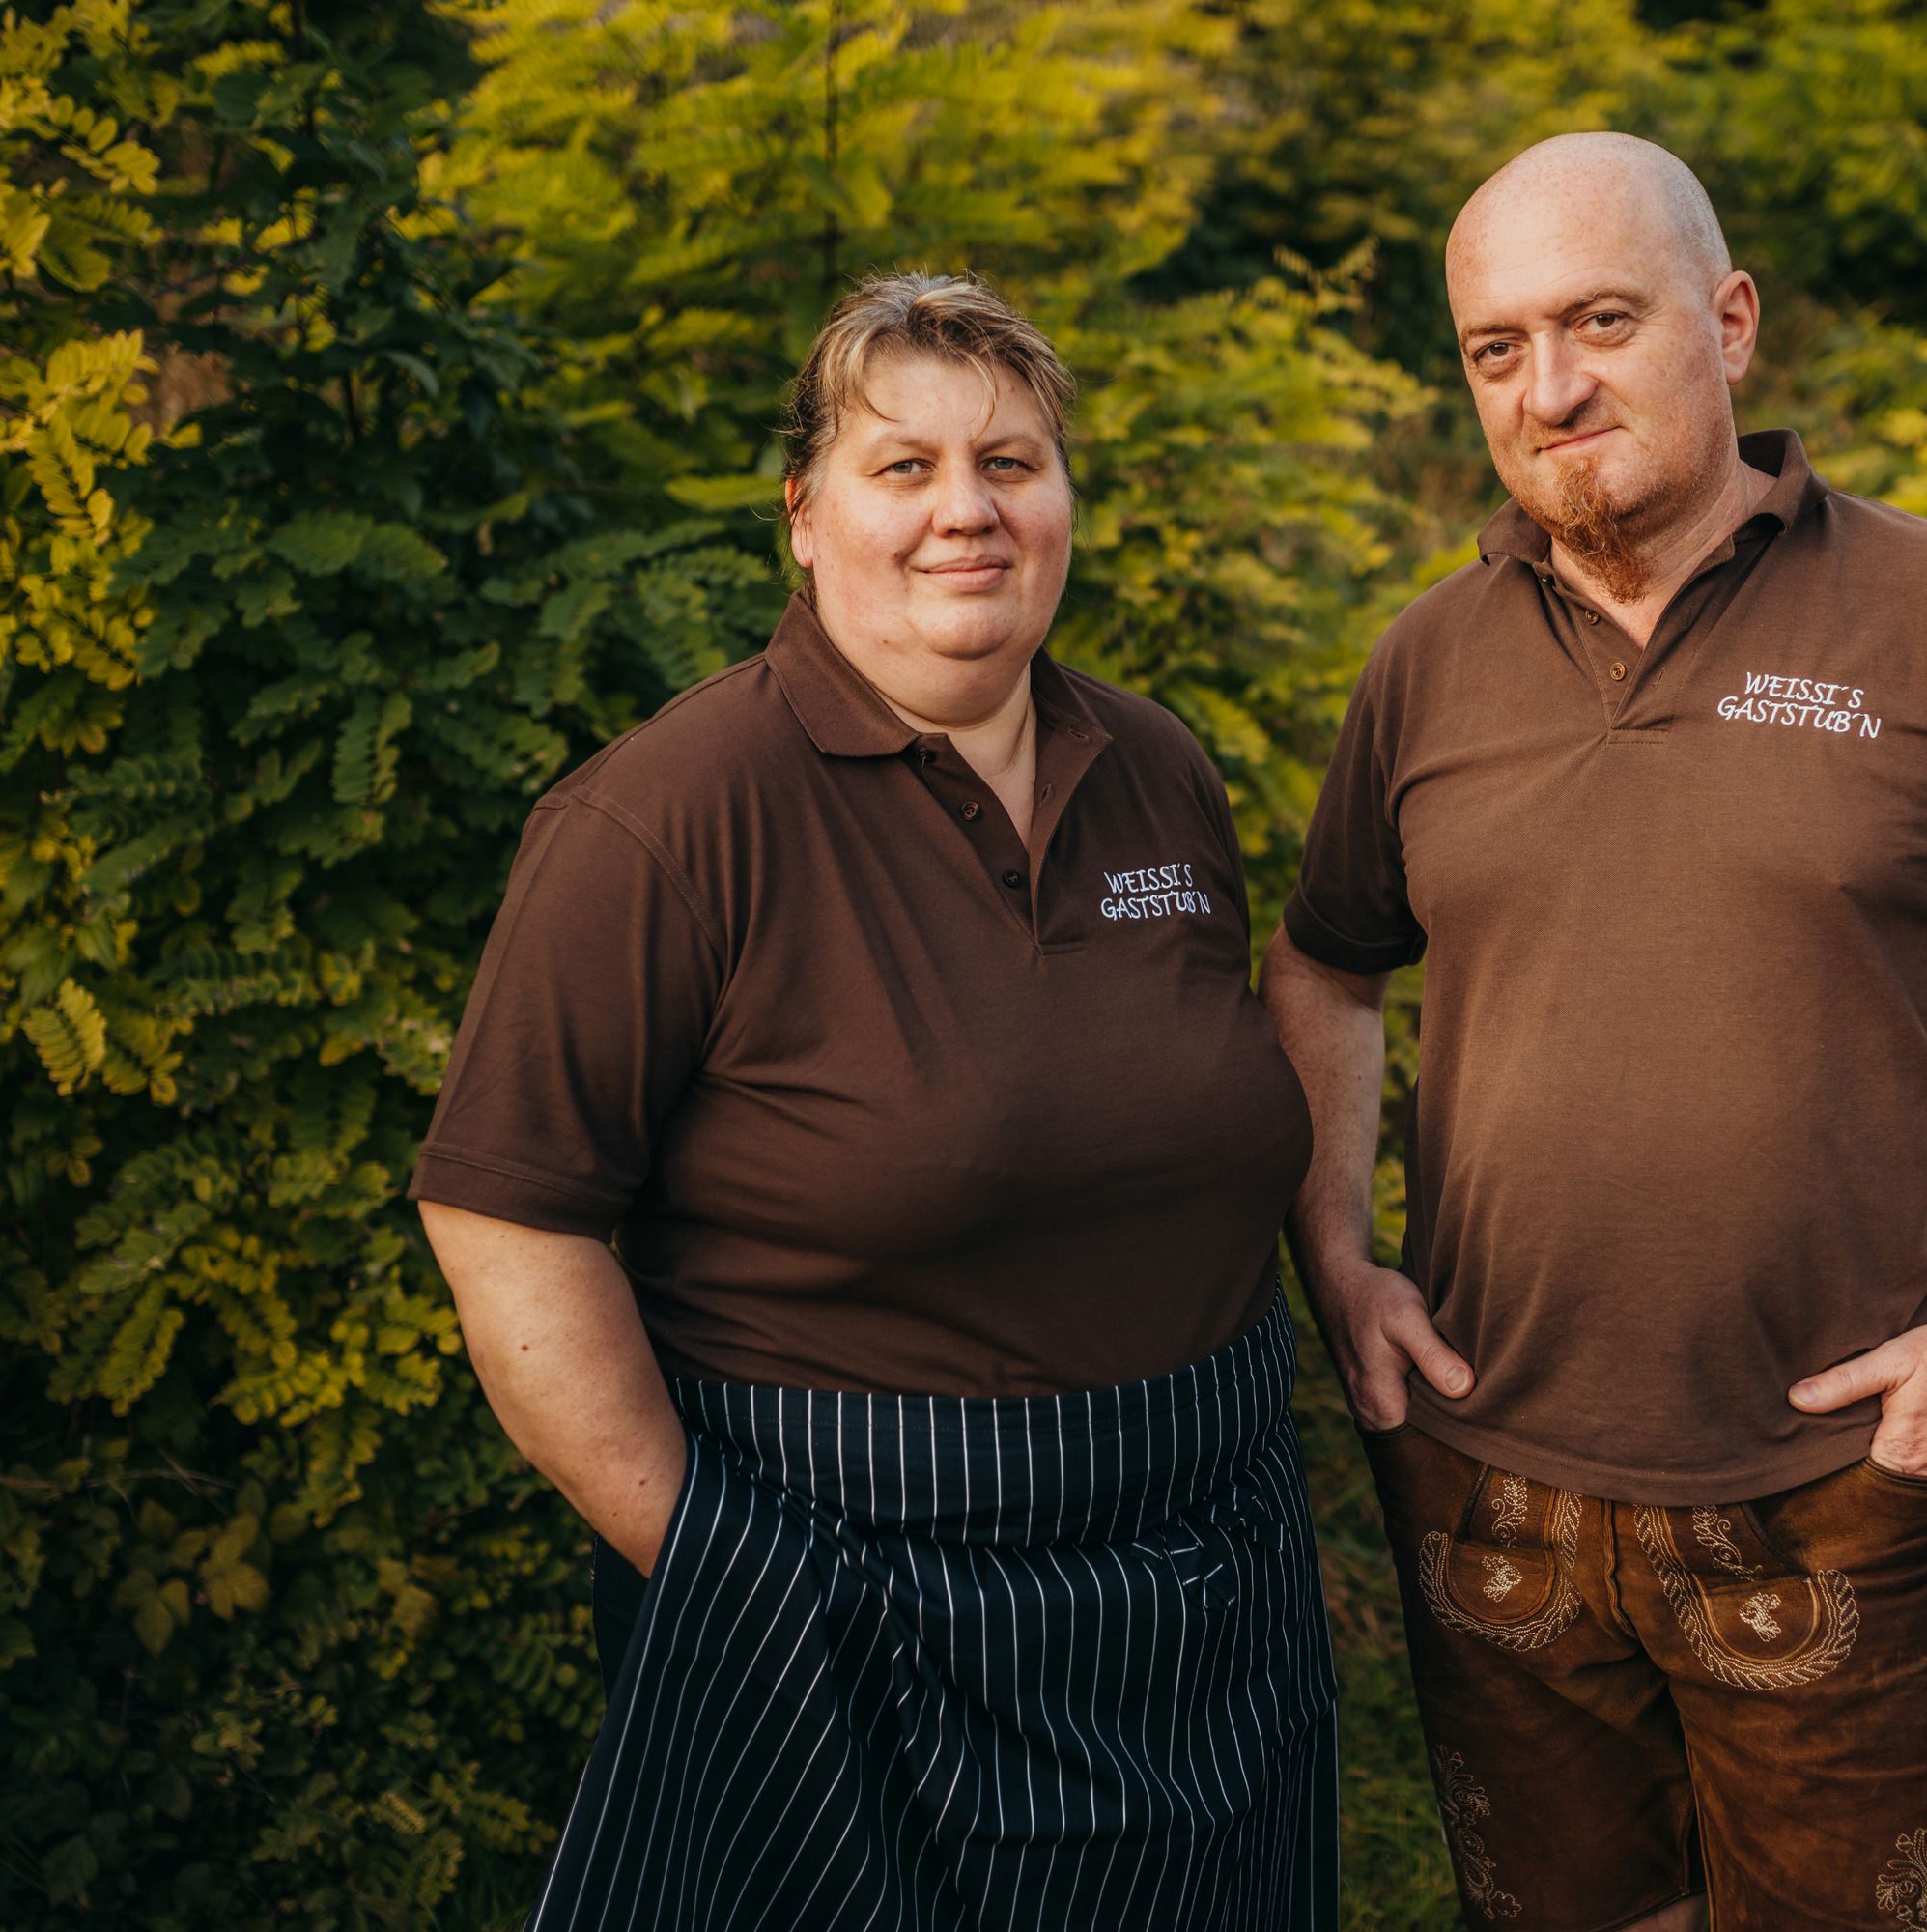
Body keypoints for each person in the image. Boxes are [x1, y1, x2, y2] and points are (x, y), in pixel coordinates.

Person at [1262, 134, 1927, 1932]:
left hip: (1835, 1488)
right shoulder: (1426, 662)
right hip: (1490, 1479)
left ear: (1729, 323)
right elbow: (1330, 969)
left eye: (1598, 321)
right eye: (1497, 348)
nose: (1550, 387)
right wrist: (1339, 1260)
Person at [411, 271, 1338, 1932]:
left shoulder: (1160, 768)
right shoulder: (664, 821)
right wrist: (722, 1572)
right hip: (845, 1588)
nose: (964, 512)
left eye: (1013, 463)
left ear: (1065, 501)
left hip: (1203, 1584)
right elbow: (506, 1217)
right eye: (901, 467)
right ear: (803, 514)